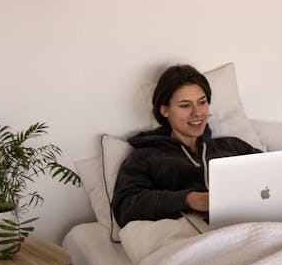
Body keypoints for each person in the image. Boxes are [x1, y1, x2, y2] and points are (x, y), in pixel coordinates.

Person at [111, 64, 261, 227]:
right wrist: (189, 199)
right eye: (185, 105)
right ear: (165, 110)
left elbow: (273, 179)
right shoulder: (145, 157)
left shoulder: (233, 147)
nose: (197, 112)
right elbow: (125, 208)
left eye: (202, 102)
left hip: (252, 226)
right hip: (192, 237)